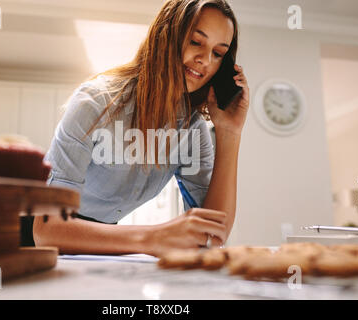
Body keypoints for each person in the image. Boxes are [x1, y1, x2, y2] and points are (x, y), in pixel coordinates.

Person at [33, 0, 249, 257]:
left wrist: (230, 132)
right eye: (195, 41)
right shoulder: (95, 103)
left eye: (218, 53)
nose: (204, 60)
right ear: (166, 36)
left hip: (95, 240)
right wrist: (153, 237)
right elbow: (46, 229)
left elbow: (212, 235)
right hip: (27, 237)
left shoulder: (192, 129)